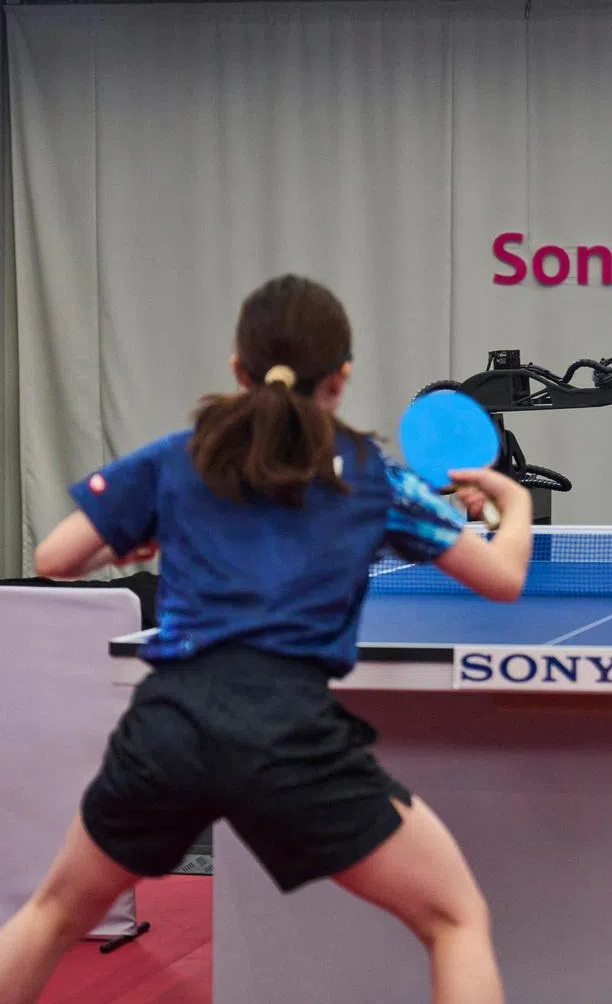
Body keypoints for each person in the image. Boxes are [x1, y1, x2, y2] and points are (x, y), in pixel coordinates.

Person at [0, 274, 531, 1004]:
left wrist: (127, 540)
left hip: (170, 728)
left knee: (53, 914)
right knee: (454, 920)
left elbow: (55, 559)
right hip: (291, 738)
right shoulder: (374, 480)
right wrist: (514, 503)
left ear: (238, 370)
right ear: (340, 380)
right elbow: (501, 577)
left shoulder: (177, 457)